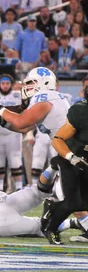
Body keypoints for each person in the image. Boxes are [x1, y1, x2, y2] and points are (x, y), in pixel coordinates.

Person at [0, 67, 70, 195]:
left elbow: (21, 121)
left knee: (66, 195)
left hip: (70, 149)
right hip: (67, 148)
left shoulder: (44, 97)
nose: (26, 86)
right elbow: (24, 128)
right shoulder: (51, 96)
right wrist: (4, 123)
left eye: (30, 83)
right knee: (50, 184)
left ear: (44, 82)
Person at [40, 98, 88, 245]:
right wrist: (71, 157)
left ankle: (52, 207)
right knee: (73, 203)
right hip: (71, 159)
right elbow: (58, 139)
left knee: (84, 203)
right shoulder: (81, 112)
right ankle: (51, 229)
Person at [0, 74, 24, 192]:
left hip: (12, 134)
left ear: (11, 84)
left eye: (7, 83)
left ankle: (19, 188)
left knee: (15, 162)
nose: (5, 86)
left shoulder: (17, 95)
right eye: (3, 83)